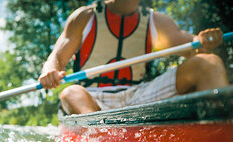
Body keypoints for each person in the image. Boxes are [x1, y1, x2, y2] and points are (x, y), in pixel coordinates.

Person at [38, 0, 229, 115]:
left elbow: (192, 49)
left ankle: (219, 136)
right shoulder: (84, 17)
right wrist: (49, 71)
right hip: (92, 97)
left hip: (139, 94)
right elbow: (57, 57)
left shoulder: (156, 21)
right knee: (70, 93)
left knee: (209, 63)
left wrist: (202, 41)